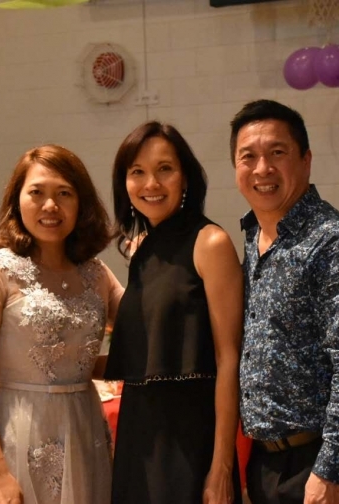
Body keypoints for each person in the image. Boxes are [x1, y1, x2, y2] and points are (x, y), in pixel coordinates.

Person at [0, 144, 124, 504]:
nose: (50, 205)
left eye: (64, 193)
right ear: (17, 200)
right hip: (14, 437)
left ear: (82, 203)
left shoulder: (96, 273)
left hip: (83, 430)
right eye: (37, 193)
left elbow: (141, 325)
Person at [231, 100, 339, 504]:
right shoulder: (253, 237)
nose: (262, 169)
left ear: (306, 160)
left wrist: (331, 469)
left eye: (277, 152)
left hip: (322, 462)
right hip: (267, 463)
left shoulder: (336, 242)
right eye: (248, 157)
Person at [104, 121, 243, 504]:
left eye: (164, 169)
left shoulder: (210, 242)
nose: (151, 183)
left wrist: (221, 467)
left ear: (185, 177)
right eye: (137, 171)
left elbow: (229, 360)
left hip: (189, 435)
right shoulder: (141, 248)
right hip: (139, 431)